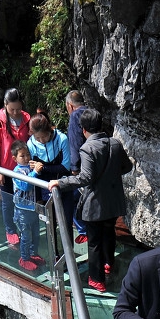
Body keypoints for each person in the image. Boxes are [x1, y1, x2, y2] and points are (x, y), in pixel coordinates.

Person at [49, 109, 132, 291]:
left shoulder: (87, 148)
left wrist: (61, 182)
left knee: (94, 242)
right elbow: (127, 166)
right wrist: (109, 177)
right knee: (109, 233)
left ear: (84, 129)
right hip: (113, 200)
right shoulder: (115, 143)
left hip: (95, 204)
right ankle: (108, 263)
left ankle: (97, 279)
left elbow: (84, 178)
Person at [0, 88, 33, 247]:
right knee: (8, 202)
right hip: (7, 169)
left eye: (18, 109)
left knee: (24, 200)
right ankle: (10, 229)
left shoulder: (27, 119)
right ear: (5, 105)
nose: (15, 112)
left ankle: (25, 227)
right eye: (12, 109)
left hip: (23, 169)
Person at [9, 142, 42, 271]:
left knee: (36, 234)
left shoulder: (30, 167)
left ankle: (33, 254)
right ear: (15, 158)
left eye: (28, 154)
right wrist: (35, 172)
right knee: (26, 236)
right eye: (22, 156)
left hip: (33, 208)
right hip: (22, 211)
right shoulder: (17, 171)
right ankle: (24, 258)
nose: (26, 158)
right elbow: (25, 185)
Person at [26, 114, 70, 199]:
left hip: (63, 184)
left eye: (44, 136)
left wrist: (42, 167)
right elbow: (34, 174)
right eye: (37, 138)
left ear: (49, 130)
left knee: (66, 212)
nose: (42, 140)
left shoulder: (62, 139)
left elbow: (65, 167)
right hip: (43, 188)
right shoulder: (30, 144)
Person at [64, 90, 87, 242]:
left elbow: (75, 143)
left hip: (82, 166)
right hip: (96, 163)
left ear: (70, 105)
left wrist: (74, 167)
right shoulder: (91, 111)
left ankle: (83, 230)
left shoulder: (75, 116)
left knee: (72, 197)